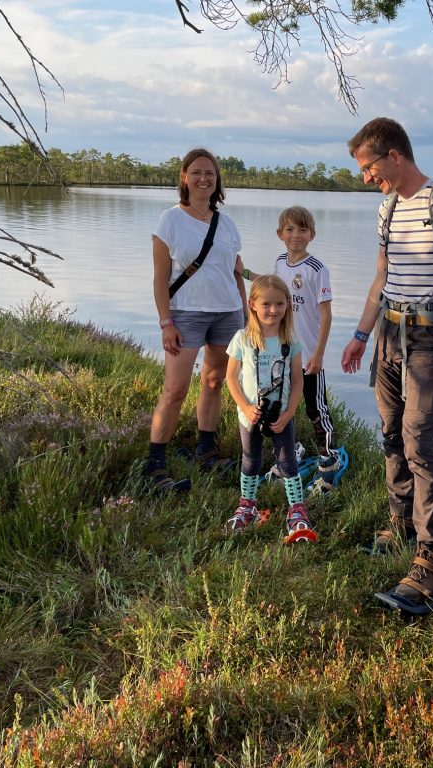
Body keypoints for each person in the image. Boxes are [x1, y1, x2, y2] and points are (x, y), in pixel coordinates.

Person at [339, 117, 433, 608]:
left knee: (420, 438)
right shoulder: (386, 210)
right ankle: (400, 521)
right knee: (391, 430)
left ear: (393, 155)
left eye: (367, 165)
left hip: (430, 335)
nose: (365, 175)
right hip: (387, 334)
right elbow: (381, 278)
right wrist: (360, 334)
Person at [143, 148, 247, 492]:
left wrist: (245, 316)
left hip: (227, 312)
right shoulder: (170, 221)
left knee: (215, 381)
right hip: (185, 313)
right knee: (175, 389)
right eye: (197, 172)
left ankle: (207, 449)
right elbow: (160, 280)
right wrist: (165, 322)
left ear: (217, 181)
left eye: (211, 174)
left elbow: (235, 273)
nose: (204, 179)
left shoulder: (227, 223)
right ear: (184, 177)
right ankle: (155, 465)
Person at [247, 206, 342, 490]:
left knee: (316, 410)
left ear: (311, 234)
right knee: (281, 408)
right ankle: (290, 452)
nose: (296, 235)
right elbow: (271, 288)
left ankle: (328, 459)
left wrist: (319, 354)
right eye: (289, 229)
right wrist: (245, 272)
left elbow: (326, 315)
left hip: (310, 355)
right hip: (283, 355)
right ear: (280, 234)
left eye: (302, 230)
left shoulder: (317, 269)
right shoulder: (279, 262)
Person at [224, 275, 316, 542]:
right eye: (266, 304)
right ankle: (247, 506)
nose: (273, 310)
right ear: (252, 304)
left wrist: (288, 414)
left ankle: (297, 511)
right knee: (250, 459)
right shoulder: (242, 338)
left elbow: (298, 381)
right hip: (249, 414)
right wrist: (245, 406)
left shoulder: (291, 340)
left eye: (279, 304)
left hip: (281, 415)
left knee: (287, 461)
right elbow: (231, 377)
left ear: (288, 305)